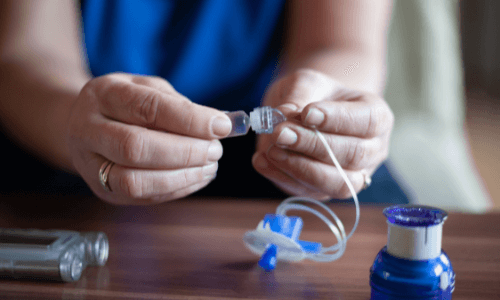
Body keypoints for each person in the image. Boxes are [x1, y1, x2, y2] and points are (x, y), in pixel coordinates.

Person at [0, 0, 408, 205]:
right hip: (78, 144)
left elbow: (342, 45)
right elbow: (26, 52)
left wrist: (323, 106)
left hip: (273, 159)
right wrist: (75, 125)